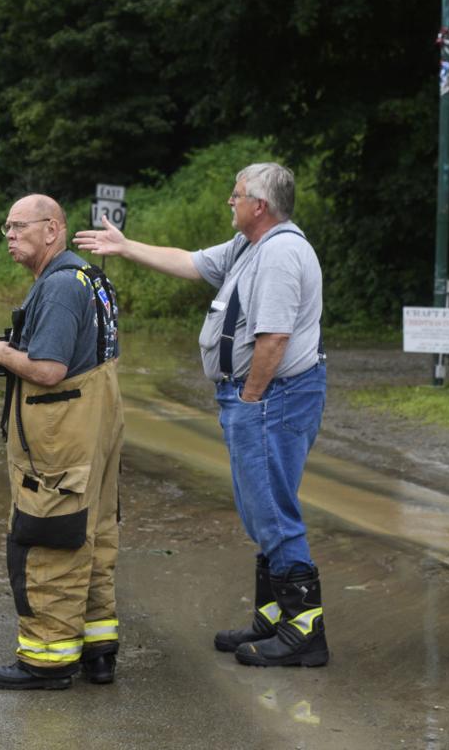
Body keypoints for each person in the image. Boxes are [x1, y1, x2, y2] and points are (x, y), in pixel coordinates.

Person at [73, 162, 329, 668]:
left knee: (273, 509)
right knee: (260, 509)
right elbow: (190, 262)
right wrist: (126, 247)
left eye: (236, 196)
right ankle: (273, 617)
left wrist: (251, 399)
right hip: (260, 396)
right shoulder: (248, 247)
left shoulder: (280, 253)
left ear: (260, 205)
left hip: (271, 396)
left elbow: (274, 338)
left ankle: (304, 632)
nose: (229, 203)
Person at [0, 194, 125, 690]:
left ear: (54, 229)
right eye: (7, 227)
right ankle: (97, 648)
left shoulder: (61, 288)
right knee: (94, 533)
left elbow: (48, 369)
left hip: (62, 437)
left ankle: (46, 661)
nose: (11, 235)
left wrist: (3, 353)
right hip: (96, 429)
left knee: (50, 534)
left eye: (20, 225)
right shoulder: (90, 278)